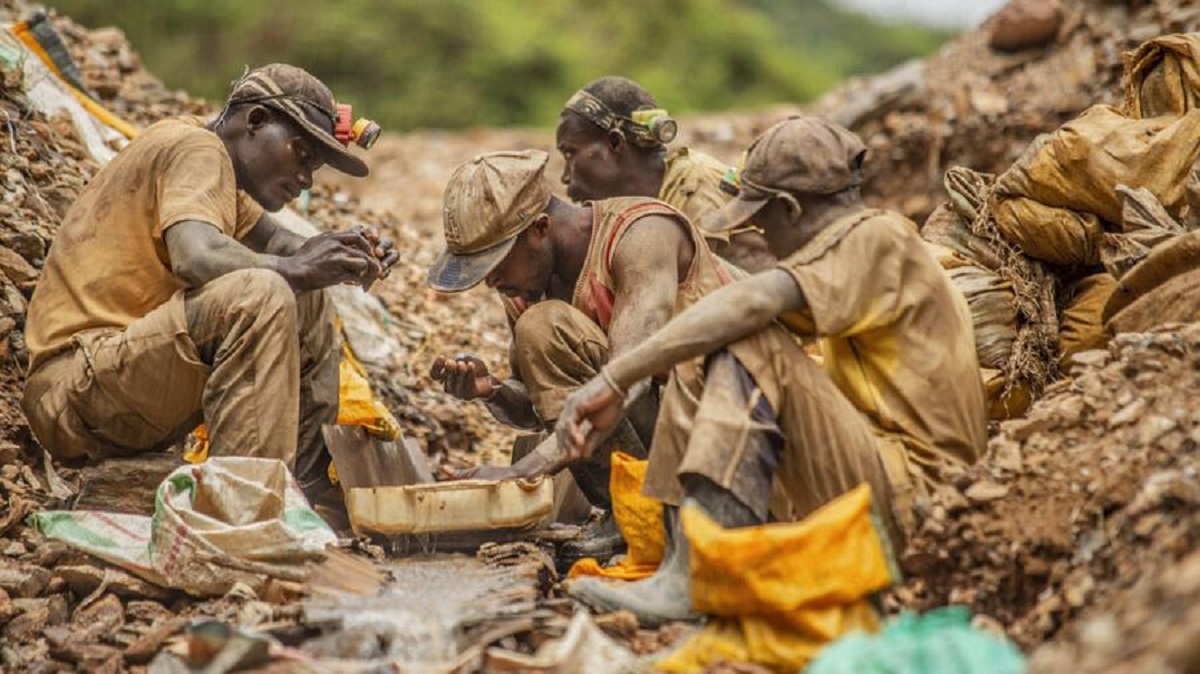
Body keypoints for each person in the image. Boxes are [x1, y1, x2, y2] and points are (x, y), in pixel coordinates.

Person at [554, 116, 988, 625]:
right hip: (879, 476)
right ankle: (684, 559)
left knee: (744, 335)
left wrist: (613, 378)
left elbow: (752, 302)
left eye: (763, 222)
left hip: (916, 497)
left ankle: (703, 575)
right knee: (708, 334)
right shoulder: (853, 258)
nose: (762, 238)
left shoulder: (878, 240)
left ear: (791, 209)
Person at [22, 64, 398, 506]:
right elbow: (195, 255)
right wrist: (298, 268)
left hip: (116, 386)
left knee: (303, 291)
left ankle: (305, 495)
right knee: (264, 291)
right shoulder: (197, 147)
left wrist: (343, 252)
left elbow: (282, 243)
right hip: (75, 388)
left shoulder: (220, 177)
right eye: (301, 155)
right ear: (255, 121)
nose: (305, 179)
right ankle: (245, 513)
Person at [427, 149, 740, 560]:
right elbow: (548, 405)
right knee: (540, 327)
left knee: (544, 326)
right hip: (664, 437)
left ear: (539, 229)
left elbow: (625, 379)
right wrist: (493, 391)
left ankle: (663, 517)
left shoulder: (641, 234)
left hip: (730, 430)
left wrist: (524, 471)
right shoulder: (525, 288)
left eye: (495, 263)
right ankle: (631, 514)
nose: (492, 281)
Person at [556, 76, 776, 274]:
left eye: (570, 154)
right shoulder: (647, 204)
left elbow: (701, 291)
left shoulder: (694, 187)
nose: (565, 177)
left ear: (615, 143)